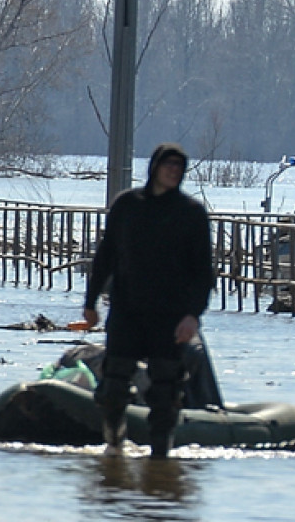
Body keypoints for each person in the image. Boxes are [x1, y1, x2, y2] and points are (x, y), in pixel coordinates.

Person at [80, 143, 214, 458]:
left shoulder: (191, 214)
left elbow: (203, 272)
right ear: (154, 167)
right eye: (168, 165)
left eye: (179, 167)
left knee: (165, 392)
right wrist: (90, 302)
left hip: (170, 316)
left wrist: (193, 315)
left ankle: (160, 458)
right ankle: (114, 448)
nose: (173, 171)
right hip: (127, 310)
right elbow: (105, 257)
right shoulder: (127, 205)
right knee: (113, 388)